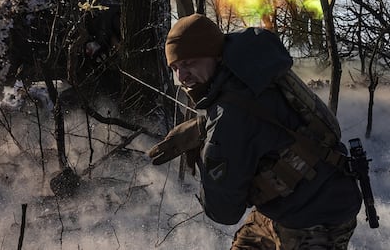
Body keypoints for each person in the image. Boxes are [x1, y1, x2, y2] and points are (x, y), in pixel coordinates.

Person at [148, 13, 362, 249]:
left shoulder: (227, 121)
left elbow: (223, 212)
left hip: (316, 219)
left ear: (214, 55)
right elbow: (261, 122)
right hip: (292, 205)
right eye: (175, 67)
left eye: (188, 63)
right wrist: (201, 126)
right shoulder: (250, 71)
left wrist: (204, 156)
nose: (182, 76)